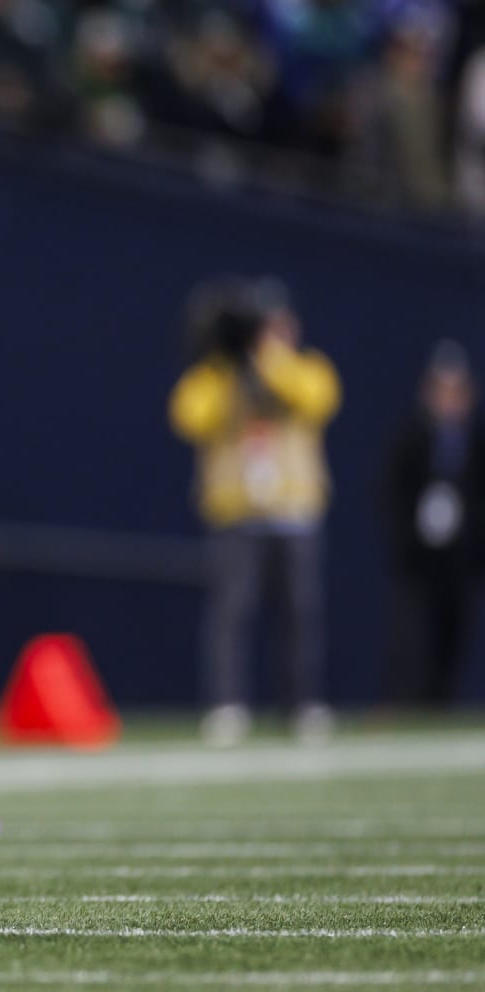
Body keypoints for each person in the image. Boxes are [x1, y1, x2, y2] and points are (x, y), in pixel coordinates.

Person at [170, 278, 341, 746]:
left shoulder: (307, 367)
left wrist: (266, 357)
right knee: (232, 612)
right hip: (237, 510)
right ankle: (228, 705)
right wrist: (231, 362)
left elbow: (315, 398)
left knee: (300, 613)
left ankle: (302, 704)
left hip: (294, 509)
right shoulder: (217, 376)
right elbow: (190, 415)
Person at [380, 341, 485, 708]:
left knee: (454, 633)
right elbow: (392, 493)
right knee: (411, 634)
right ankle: (406, 701)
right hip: (418, 558)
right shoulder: (412, 438)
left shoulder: (475, 440)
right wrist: (409, 535)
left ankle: (444, 702)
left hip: (462, 558)